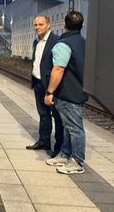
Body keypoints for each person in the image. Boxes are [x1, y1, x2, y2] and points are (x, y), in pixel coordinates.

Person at [44, 11, 88, 174]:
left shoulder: (64, 44)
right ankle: (65, 154)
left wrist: (49, 92)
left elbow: (58, 69)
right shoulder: (84, 43)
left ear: (64, 24)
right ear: (82, 26)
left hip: (67, 92)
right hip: (79, 89)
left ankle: (77, 160)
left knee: (75, 128)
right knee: (69, 127)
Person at [26, 15, 63, 156]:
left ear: (48, 25)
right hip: (38, 83)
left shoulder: (56, 42)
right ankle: (44, 141)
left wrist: (52, 89)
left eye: (40, 24)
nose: (37, 27)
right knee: (43, 114)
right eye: (35, 25)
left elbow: (58, 66)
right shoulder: (36, 42)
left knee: (57, 116)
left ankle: (59, 147)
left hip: (51, 85)